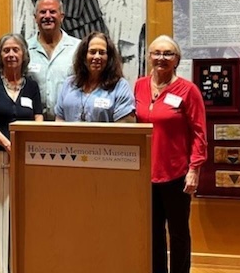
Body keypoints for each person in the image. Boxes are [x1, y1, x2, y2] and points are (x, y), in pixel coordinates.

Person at [134, 35, 207, 273]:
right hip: (146, 174)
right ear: (149, 57)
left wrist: (194, 169)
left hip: (177, 174)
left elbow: (199, 133)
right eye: (156, 53)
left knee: (178, 233)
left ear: (177, 60)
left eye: (168, 54)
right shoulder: (139, 85)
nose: (161, 58)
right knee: (153, 232)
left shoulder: (188, 90)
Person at [0, 33, 43, 273]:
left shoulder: (32, 86)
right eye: (6, 50)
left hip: (25, 160)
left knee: (23, 215)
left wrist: (25, 149)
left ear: (24, 54)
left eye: (16, 49)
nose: (11, 54)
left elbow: (38, 119)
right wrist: (8, 144)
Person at [54, 31, 135, 122]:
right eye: (92, 52)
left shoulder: (120, 86)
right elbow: (59, 121)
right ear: (84, 56)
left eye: (102, 52)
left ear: (109, 58)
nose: (97, 57)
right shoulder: (68, 84)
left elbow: (125, 130)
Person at [27, 0, 81, 120]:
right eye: (42, 12)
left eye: (52, 12)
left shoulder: (78, 48)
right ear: (35, 17)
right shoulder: (25, 49)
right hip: (34, 124)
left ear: (61, 16)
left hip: (69, 123)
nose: (47, 16)